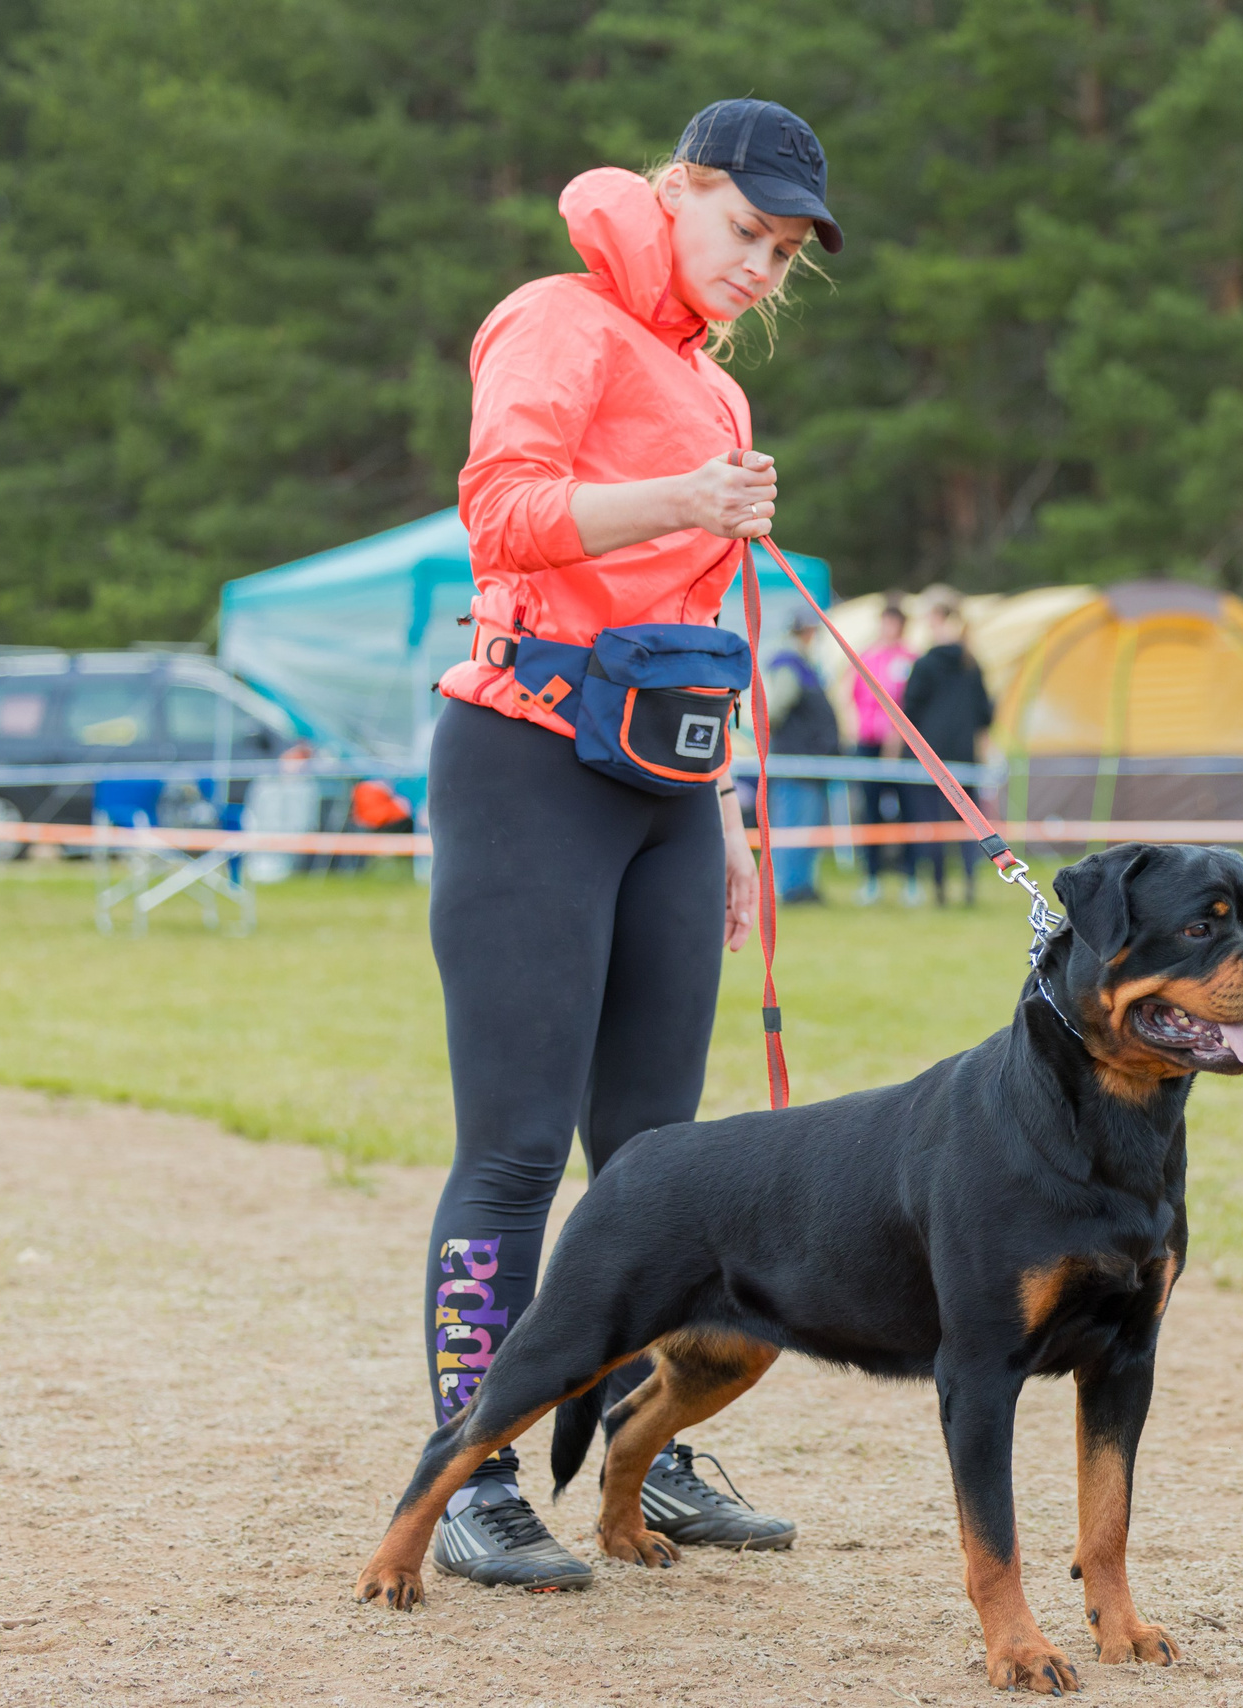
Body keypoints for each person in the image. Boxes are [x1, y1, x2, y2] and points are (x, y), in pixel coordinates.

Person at [415, 97, 843, 1591]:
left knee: (655, 1163)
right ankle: (471, 1472)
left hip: (669, 793)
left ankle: (631, 1448)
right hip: (526, 764)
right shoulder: (556, 319)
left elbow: (700, 628)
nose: (761, 269)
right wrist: (685, 495)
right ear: (678, 189)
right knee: (517, 1149)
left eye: (785, 255)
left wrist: (719, 819)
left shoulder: (712, 387)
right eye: (746, 232)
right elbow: (499, 514)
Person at [898, 594, 992, 905]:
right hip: (965, 757)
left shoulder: (924, 664)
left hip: (930, 760)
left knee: (934, 826)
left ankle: (939, 890)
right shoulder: (971, 663)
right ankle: (969, 886)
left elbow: (909, 710)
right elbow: (985, 713)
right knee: (969, 827)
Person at [762, 609, 839, 904]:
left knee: (807, 827)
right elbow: (778, 706)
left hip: (810, 761)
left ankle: (802, 885)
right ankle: (789, 887)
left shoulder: (805, 663)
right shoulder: (789, 663)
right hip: (796, 761)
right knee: (793, 825)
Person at [852, 602, 919, 903]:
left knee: (907, 813)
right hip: (869, 743)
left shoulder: (911, 659)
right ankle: (871, 878)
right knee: (870, 812)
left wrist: (897, 738)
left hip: (901, 745)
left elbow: (911, 702)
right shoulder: (867, 657)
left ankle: (911, 878)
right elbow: (854, 696)